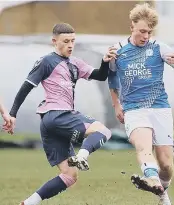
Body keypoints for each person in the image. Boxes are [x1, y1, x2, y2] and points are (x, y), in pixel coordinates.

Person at [3, 23, 117, 205]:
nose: (70, 45)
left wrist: (105, 61)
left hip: (50, 125)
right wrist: (13, 113)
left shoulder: (75, 63)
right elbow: (26, 87)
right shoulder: (46, 61)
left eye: (73, 41)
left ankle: (29, 203)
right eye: (66, 41)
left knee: (69, 175)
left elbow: (100, 76)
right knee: (104, 131)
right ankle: (82, 156)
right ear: (54, 41)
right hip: (58, 115)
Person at [107, 3, 174, 205]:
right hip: (134, 109)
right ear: (132, 26)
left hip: (160, 107)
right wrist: (116, 105)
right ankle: (152, 178)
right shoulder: (118, 51)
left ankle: (161, 191)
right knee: (143, 146)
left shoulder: (159, 48)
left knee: (166, 164)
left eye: (149, 32)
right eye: (142, 31)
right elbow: (111, 79)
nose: (145, 36)